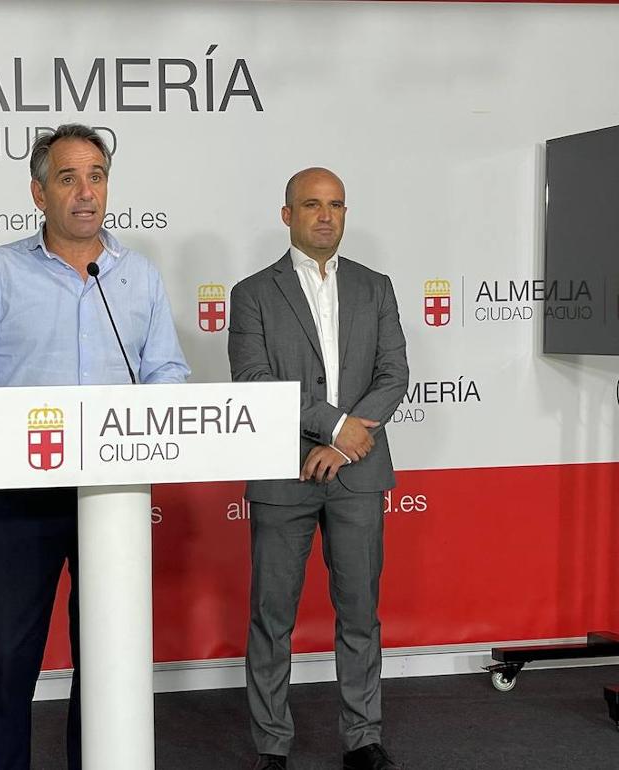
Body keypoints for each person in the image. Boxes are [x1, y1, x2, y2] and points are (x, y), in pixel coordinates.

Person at [0, 123, 189, 770]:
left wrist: (152, 410)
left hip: (115, 493)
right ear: (38, 192)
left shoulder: (137, 275)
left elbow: (168, 371)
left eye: (96, 177)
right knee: (11, 653)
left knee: (106, 655)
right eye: (68, 178)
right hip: (28, 489)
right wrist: (4, 425)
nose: (85, 192)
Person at [228, 167, 409, 770]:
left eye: (335, 205)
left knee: (359, 613)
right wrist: (334, 427)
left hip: (357, 472)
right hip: (283, 473)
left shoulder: (376, 287)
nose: (326, 215)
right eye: (312, 204)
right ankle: (271, 746)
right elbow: (254, 380)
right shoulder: (253, 293)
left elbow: (394, 376)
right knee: (271, 616)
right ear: (288, 215)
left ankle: (363, 738)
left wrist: (345, 445)